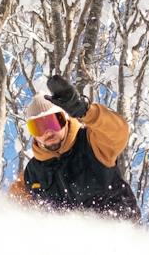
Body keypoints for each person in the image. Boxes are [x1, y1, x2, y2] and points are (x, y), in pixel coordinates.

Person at [8, 75, 140, 220]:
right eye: (38, 127)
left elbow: (117, 132)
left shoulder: (92, 143)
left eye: (53, 122)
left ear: (65, 119)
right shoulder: (33, 173)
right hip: (70, 240)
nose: (47, 132)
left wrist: (86, 111)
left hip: (119, 230)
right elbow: (14, 210)